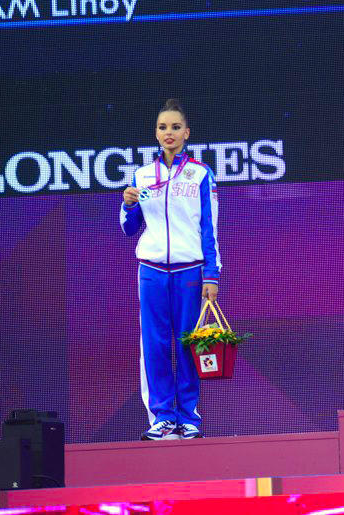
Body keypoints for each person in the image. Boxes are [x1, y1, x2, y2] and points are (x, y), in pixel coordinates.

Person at [121, 98, 221, 440]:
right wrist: (127, 204)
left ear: (187, 133)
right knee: (155, 342)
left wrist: (212, 275)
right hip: (150, 269)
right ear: (156, 133)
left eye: (175, 127)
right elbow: (130, 227)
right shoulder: (142, 175)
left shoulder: (200, 175)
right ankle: (161, 417)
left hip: (190, 270)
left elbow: (210, 229)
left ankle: (188, 416)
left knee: (186, 343)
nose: (169, 133)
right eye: (163, 127)